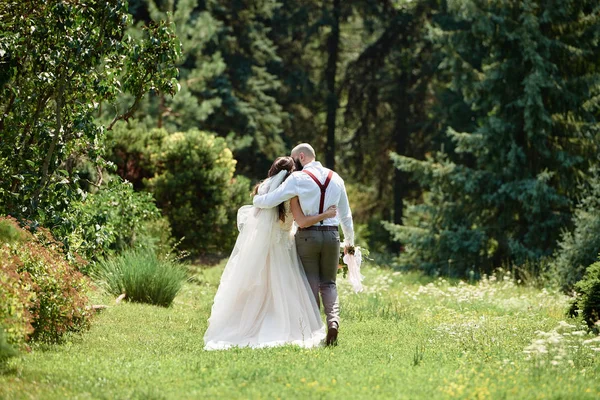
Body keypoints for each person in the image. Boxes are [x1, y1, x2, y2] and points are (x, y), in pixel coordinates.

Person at [203, 156, 335, 350]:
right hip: (283, 247)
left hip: (262, 248)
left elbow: (255, 218)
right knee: (283, 288)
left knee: (259, 289)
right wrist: (326, 215)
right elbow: (302, 222)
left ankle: (244, 324)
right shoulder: (292, 196)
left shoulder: (262, 189)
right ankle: (279, 324)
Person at [253, 143, 354, 346]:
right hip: (332, 236)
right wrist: (349, 243)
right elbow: (346, 214)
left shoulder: (298, 179)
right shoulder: (337, 178)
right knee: (329, 283)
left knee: (310, 285)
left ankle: (314, 332)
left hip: (308, 236)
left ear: (300, 156)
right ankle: (333, 322)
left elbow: (273, 199)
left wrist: (256, 200)